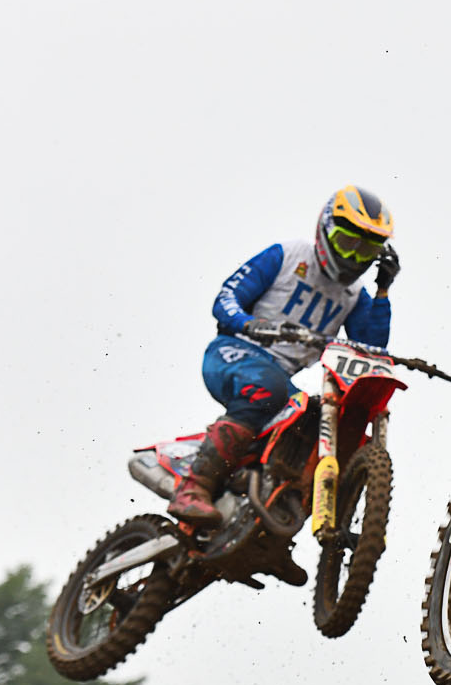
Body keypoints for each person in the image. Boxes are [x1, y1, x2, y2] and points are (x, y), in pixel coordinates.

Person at [168, 187, 399, 542]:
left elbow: (369, 347)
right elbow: (226, 297)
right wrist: (248, 323)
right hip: (233, 352)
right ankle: (193, 487)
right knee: (270, 390)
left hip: (279, 378)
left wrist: (383, 292)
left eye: (365, 250)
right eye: (347, 243)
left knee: (312, 420)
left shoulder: (354, 295)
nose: (353, 257)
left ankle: (265, 515)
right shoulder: (288, 256)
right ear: (326, 229)